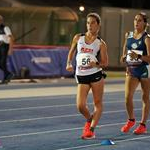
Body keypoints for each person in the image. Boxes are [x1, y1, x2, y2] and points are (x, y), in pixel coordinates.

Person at [66, 12, 108, 139]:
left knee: (98, 103)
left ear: (98, 25)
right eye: (88, 23)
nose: (90, 25)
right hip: (82, 75)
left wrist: (95, 64)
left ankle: (91, 129)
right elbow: (71, 52)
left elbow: (105, 63)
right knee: (80, 105)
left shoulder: (101, 43)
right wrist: (68, 63)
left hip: (95, 75)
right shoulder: (78, 38)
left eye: (93, 23)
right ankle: (89, 119)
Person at [120, 12, 150, 134]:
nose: (136, 22)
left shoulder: (147, 38)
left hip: (144, 70)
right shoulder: (129, 35)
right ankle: (131, 120)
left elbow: (149, 58)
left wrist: (138, 56)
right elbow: (125, 47)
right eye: (135, 20)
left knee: (145, 97)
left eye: (139, 20)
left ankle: (142, 124)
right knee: (127, 97)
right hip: (132, 69)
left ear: (145, 23)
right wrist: (123, 56)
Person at [0, 15, 14, 84]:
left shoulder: (5, 28)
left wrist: (10, 49)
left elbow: (11, 38)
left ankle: (7, 76)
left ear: (1, 21)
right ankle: (7, 75)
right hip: (0, 47)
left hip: (4, 47)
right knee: (1, 64)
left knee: (2, 63)